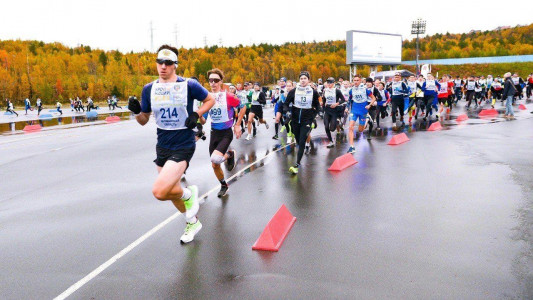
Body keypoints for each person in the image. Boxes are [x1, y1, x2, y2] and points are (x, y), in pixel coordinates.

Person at [127, 45, 215, 244]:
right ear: (156, 64)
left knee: (159, 191)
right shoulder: (149, 89)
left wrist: (196, 114)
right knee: (170, 191)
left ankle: (189, 193)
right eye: (160, 62)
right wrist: (136, 112)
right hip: (162, 145)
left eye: (168, 63)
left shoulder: (188, 85)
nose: (163, 66)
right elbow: (143, 120)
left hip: (183, 143)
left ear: (175, 65)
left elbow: (210, 99)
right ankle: (192, 221)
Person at [203, 68, 246, 197]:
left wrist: (237, 125)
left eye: (216, 80)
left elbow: (243, 106)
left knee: (216, 158)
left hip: (226, 133)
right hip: (214, 133)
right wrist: (197, 116)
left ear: (221, 82)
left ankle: (229, 154)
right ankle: (223, 185)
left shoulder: (227, 96)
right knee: (215, 164)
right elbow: (203, 120)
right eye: (210, 80)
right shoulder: (206, 98)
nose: (213, 83)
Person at [284, 71, 320, 174]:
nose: (303, 80)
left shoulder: (313, 92)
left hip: (306, 120)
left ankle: (297, 164)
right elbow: (286, 104)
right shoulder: (294, 91)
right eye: (301, 78)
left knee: (302, 141)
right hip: (295, 120)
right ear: (299, 80)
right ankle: (303, 146)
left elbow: (318, 106)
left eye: (305, 78)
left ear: (308, 80)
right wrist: (287, 112)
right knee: (298, 140)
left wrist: (313, 117)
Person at [346, 74, 376, 153]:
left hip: (363, 110)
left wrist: (369, 105)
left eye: (357, 80)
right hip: (354, 110)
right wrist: (346, 107)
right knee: (351, 127)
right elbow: (349, 100)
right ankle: (352, 147)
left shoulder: (365, 89)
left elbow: (373, 98)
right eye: (354, 80)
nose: (355, 82)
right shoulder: (351, 90)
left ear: (360, 81)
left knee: (360, 130)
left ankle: (367, 119)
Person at [322, 77, 345, 147]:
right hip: (327, 110)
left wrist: (336, 104)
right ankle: (331, 141)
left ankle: (338, 122)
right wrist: (323, 106)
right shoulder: (325, 90)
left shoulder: (337, 91)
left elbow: (343, 99)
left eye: (330, 82)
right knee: (326, 127)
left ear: (334, 83)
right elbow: (324, 100)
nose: (329, 84)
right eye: (328, 82)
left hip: (334, 110)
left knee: (332, 129)